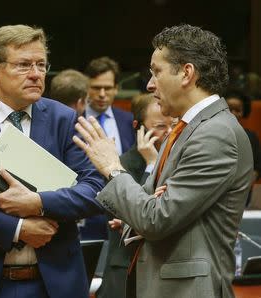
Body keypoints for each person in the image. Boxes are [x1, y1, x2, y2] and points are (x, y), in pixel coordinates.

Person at [74, 24, 253, 298]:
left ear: (187, 73)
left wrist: (113, 168)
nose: (149, 84)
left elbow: (156, 218)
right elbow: (150, 207)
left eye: (156, 71)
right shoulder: (186, 129)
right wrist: (138, 216)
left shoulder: (215, 133)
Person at [0, 24, 104, 298]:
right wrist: (18, 229)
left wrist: (39, 203)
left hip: (54, 283)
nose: (36, 75)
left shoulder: (64, 119)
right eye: (24, 65)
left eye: (41, 65)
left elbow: (96, 191)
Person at [96, 93, 173, 298]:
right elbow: (141, 213)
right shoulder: (119, 165)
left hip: (164, 270)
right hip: (124, 270)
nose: (169, 133)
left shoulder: (179, 158)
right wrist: (151, 165)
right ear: (139, 127)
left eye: (172, 124)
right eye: (160, 127)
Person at [79, 57, 135, 240]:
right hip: (83, 209)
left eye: (108, 88)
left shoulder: (128, 121)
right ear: (86, 87)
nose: (102, 94)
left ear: (116, 88)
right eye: (96, 88)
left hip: (122, 209)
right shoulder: (72, 120)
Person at [225, 90, 261, 206]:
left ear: (244, 112)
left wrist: (247, 184)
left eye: (238, 110)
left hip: (242, 191)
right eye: (229, 109)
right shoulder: (212, 134)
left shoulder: (251, 137)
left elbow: (257, 165)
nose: (233, 113)